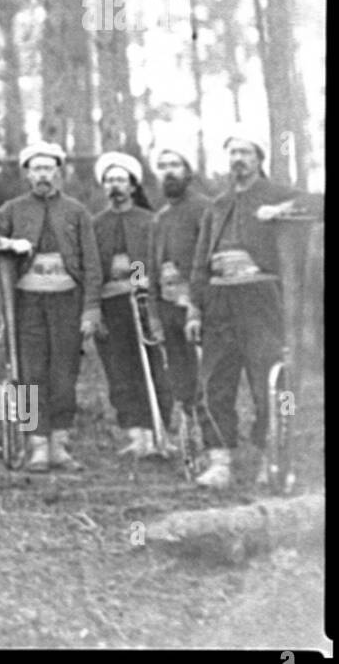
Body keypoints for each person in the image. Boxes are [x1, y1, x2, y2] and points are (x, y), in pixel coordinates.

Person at [0, 142, 101, 473]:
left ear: (59, 173)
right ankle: (37, 444)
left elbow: (93, 265)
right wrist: (8, 243)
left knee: (64, 373)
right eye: (37, 169)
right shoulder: (13, 209)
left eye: (49, 169)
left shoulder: (76, 211)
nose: (43, 175)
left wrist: (90, 310)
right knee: (31, 373)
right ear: (28, 175)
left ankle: (59, 445)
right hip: (27, 304)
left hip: (67, 302)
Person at [185, 128, 309, 489]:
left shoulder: (275, 193)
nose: (238, 159)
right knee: (215, 382)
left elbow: (319, 202)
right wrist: (195, 308)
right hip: (219, 302)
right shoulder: (217, 205)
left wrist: (283, 209)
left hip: (261, 301)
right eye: (233, 152)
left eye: (246, 153)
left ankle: (269, 456)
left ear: (259, 159)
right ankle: (220, 460)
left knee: (269, 380)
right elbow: (199, 264)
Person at [90, 151, 169, 458]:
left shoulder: (148, 221)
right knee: (120, 370)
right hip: (111, 306)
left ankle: (159, 430)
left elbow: (147, 260)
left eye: (121, 180)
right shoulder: (96, 224)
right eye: (109, 180)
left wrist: (137, 278)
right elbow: (93, 269)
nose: (115, 186)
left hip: (143, 304)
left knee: (152, 367)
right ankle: (137, 434)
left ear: (133, 185)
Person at [147, 144, 212, 448]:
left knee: (205, 374)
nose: (169, 171)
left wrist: (198, 302)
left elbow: (210, 259)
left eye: (175, 164)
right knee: (179, 373)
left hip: (197, 306)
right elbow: (148, 266)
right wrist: (152, 311)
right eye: (163, 165)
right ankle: (190, 437)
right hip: (167, 304)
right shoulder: (159, 218)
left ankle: (212, 435)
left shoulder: (204, 209)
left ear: (188, 171)